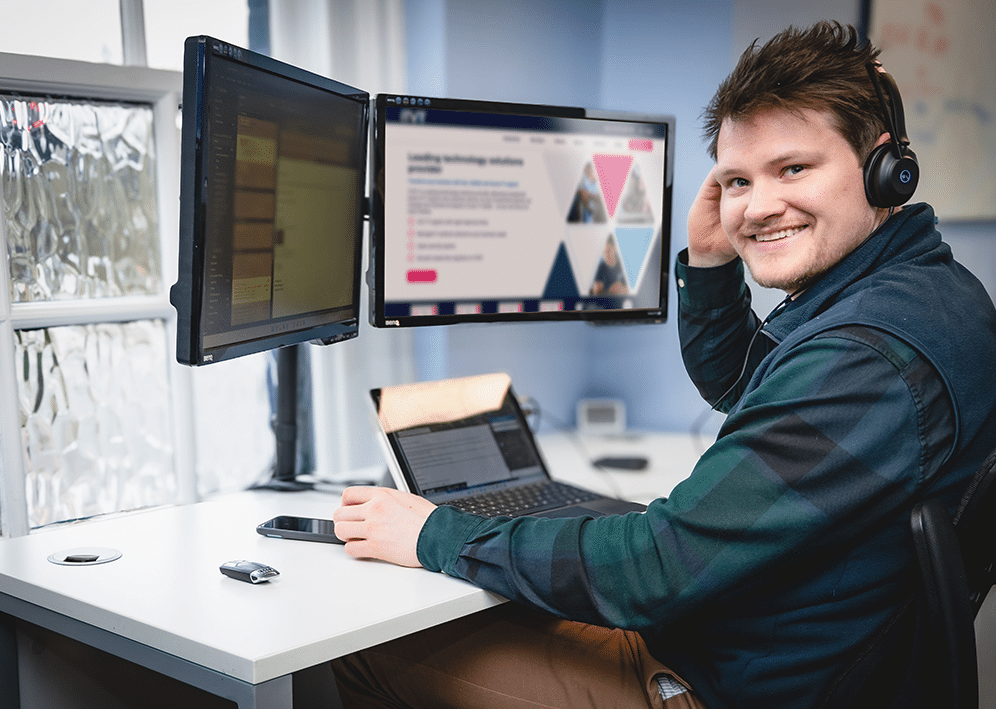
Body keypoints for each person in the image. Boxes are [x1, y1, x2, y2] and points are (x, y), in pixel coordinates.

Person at [329, 21, 996, 709]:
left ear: (884, 168)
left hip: (723, 685)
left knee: (364, 652)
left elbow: (654, 571)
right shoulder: (927, 295)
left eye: (793, 169)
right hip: (781, 648)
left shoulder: (864, 359)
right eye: (737, 180)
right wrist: (709, 260)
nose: (758, 206)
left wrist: (434, 532)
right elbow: (748, 386)